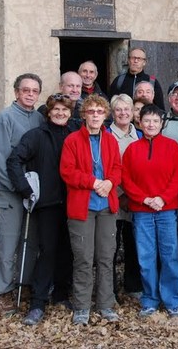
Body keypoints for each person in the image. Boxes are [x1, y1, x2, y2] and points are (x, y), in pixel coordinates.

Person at [7, 93, 77, 325]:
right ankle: (38, 302)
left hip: (72, 202)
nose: (60, 113)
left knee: (67, 251)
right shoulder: (36, 136)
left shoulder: (74, 135)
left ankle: (60, 294)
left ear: (70, 113)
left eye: (65, 110)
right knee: (47, 251)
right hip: (47, 204)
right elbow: (14, 160)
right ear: (48, 112)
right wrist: (25, 189)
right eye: (56, 109)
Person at [60, 94, 122, 325]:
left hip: (106, 207)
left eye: (99, 112)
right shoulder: (73, 140)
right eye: (91, 111)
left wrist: (109, 182)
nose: (95, 115)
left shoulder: (111, 140)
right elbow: (67, 171)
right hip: (82, 207)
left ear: (105, 116)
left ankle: (105, 304)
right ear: (84, 114)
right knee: (84, 258)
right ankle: (82, 306)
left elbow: (117, 168)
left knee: (106, 257)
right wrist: (93, 182)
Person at [0, 73, 45, 313]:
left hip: (33, 194)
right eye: (25, 90)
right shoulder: (5, 118)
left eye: (34, 91)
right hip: (10, 193)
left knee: (30, 243)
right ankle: (3, 290)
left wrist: (33, 192)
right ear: (16, 92)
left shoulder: (40, 119)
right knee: (8, 244)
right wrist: (18, 188)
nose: (30, 94)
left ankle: (25, 284)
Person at [122, 104, 178, 319]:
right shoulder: (132, 149)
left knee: (169, 256)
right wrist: (145, 199)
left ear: (161, 124)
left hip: (167, 210)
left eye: (155, 121)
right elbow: (126, 178)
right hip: (142, 210)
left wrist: (162, 198)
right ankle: (149, 299)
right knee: (146, 256)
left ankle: (172, 299)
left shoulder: (172, 146)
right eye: (147, 120)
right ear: (140, 122)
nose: (150, 124)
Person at [107, 94, 143, 300]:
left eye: (126, 109)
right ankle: (109, 289)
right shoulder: (106, 135)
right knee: (110, 247)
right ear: (113, 112)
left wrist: (133, 195)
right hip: (114, 198)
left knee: (132, 243)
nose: (123, 113)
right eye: (118, 109)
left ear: (132, 112)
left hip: (134, 200)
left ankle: (133, 285)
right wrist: (120, 194)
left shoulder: (138, 134)